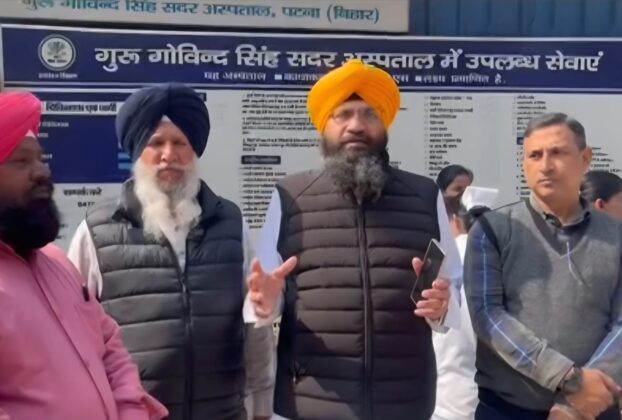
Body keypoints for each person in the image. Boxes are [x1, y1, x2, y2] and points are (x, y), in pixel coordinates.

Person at [246, 59, 463, 420]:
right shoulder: (290, 196)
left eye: (369, 114)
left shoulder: (425, 196)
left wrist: (442, 307)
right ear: (324, 126)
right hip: (309, 404)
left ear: (385, 125)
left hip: (404, 403)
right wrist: (264, 304)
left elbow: (450, 287)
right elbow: (267, 295)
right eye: (342, 115)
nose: (356, 126)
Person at [67, 83, 275, 420]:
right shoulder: (97, 230)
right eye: (156, 143)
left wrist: (262, 408)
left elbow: (255, 324)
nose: (169, 155)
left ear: (194, 151)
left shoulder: (231, 223)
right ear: (138, 150)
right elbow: (73, 335)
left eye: (180, 143)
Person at [0, 91, 167, 420]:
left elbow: (110, 347)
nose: (42, 171)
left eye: (40, 158)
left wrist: (131, 411)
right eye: (21, 161)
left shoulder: (57, 263)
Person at [464, 112, 622, 420]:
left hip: (593, 410)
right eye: (535, 155)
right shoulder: (493, 230)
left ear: (585, 158)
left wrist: (573, 406)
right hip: (506, 409)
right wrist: (568, 378)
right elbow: (488, 316)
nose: (546, 166)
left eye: (558, 152)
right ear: (524, 163)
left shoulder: (615, 235)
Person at [432, 186, 498, 420]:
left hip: (444, 399)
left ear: (454, 220)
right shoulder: (501, 260)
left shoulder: (440, 261)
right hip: (494, 401)